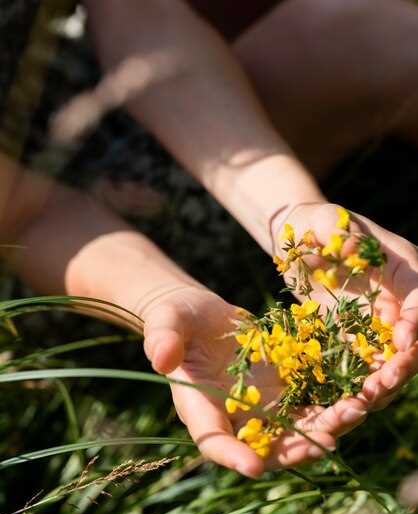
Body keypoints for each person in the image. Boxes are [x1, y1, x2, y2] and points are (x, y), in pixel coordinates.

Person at [1, 0, 417, 477]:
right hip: (67, 264)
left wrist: (287, 213)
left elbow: (143, 19)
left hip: (93, 93)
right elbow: (26, 217)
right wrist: (162, 297)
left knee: (380, 32)